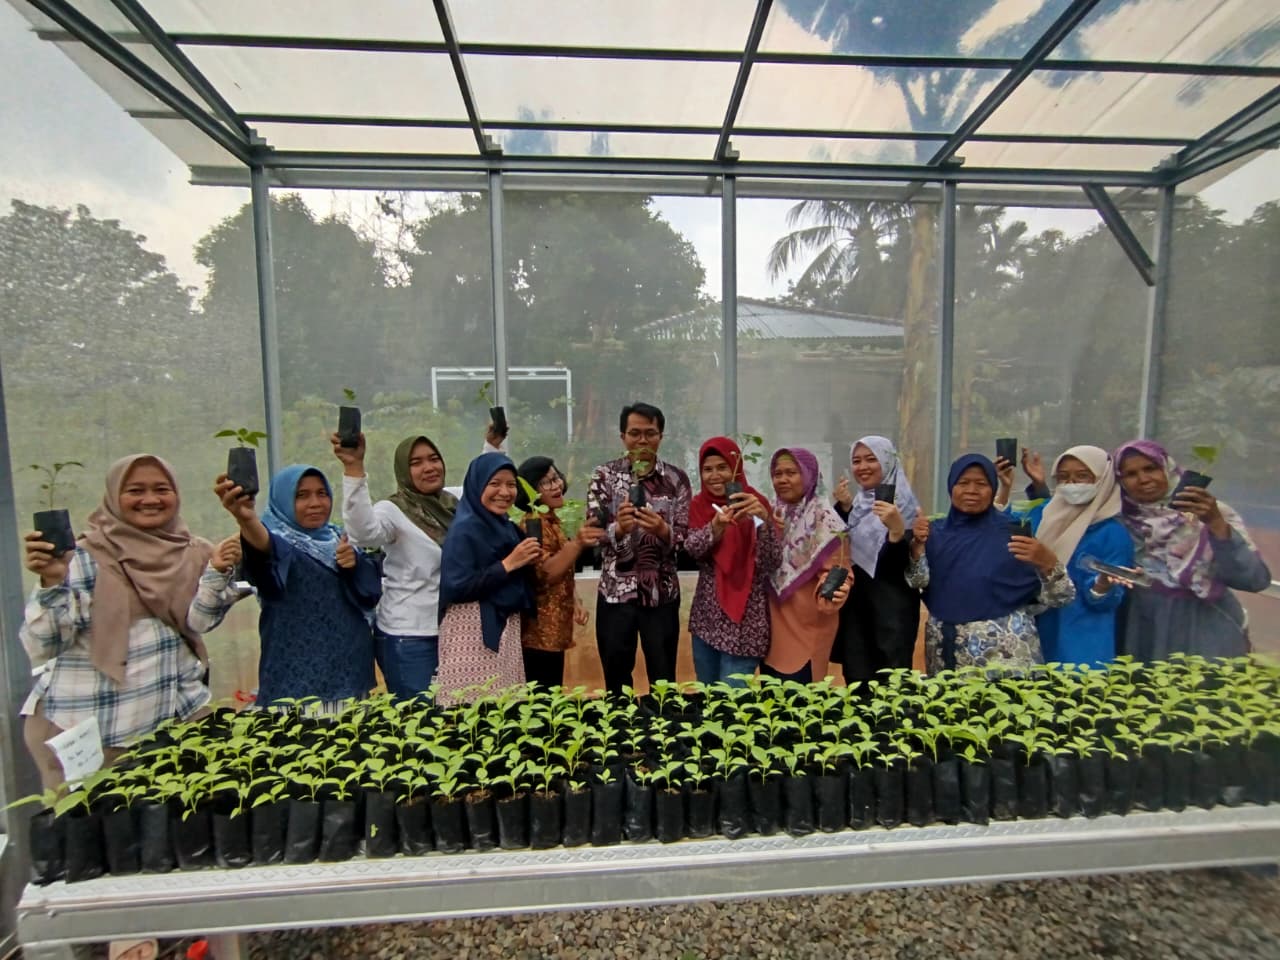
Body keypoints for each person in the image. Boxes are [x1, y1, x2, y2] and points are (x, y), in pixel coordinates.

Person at [20, 455, 242, 790]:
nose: (150, 499)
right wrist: (53, 582)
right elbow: (45, 644)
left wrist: (217, 573)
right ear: (113, 497)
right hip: (97, 728)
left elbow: (198, 623)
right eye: (135, 490)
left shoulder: (193, 551)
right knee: (93, 820)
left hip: (173, 720)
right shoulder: (82, 557)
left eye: (161, 489)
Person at [216, 463, 380, 710]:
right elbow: (267, 551)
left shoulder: (339, 538)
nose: (315, 503)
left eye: (321, 493)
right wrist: (246, 518)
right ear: (283, 500)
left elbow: (369, 593)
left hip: (350, 679)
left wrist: (354, 564)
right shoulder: (280, 542)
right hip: (297, 685)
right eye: (301, 495)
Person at [907, 454, 1075, 673]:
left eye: (981, 484)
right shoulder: (935, 533)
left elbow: (1061, 597)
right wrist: (917, 547)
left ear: (993, 488)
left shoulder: (1013, 532)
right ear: (951, 487)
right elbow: (917, 582)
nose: (972, 490)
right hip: (947, 655)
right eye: (963, 483)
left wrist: (1048, 562)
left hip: (1006, 658)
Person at [1112, 440, 1271, 659]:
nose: (1143, 479)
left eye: (1151, 468)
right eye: (1130, 474)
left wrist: (1215, 523)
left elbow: (1254, 579)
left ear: (1167, 468)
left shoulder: (1210, 512)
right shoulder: (1118, 524)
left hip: (1210, 632)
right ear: (1120, 481)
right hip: (1145, 633)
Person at [334, 432, 455, 698]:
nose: (429, 467)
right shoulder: (393, 510)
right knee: (420, 717)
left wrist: (494, 444)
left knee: (454, 718)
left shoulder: (452, 504)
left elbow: (489, 487)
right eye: (416, 463)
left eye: (434, 459)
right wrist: (354, 468)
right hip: (409, 637)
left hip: (453, 631)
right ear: (402, 470)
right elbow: (363, 533)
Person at [586, 402, 691, 695]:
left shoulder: (676, 479)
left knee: (664, 679)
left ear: (661, 436)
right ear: (623, 436)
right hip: (615, 592)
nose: (642, 440)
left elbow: (686, 535)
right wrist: (618, 529)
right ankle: (620, 723)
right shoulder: (604, 476)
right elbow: (592, 532)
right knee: (616, 680)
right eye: (635, 433)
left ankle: (664, 724)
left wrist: (663, 530)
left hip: (661, 593)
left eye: (650, 433)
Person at [994, 445, 1132, 667]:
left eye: (1082, 476)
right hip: (1036, 636)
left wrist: (1103, 585)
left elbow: (1105, 603)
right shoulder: (1045, 514)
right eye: (1064, 477)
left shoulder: (1112, 533)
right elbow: (1000, 528)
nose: (1072, 483)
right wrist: (1005, 487)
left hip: (1082, 646)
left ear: (1103, 478)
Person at [435, 452, 539, 703]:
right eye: (494, 483)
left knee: (504, 710)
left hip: (503, 629)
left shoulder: (505, 527)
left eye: (511, 485)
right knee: (473, 709)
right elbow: (457, 586)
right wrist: (508, 564)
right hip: (471, 632)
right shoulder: (465, 529)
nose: (504, 492)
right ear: (477, 485)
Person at [685, 437, 781, 686]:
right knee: (708, 696)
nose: (715, 476)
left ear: (735, 469)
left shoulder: (755, 504)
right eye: (707, 469)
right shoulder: (699, 506)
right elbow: (693, 550)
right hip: (706, 620)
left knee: (733, 700)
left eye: (722, 467)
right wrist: (715, 527)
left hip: (745, 622)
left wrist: (763, 521)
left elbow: (771, 561)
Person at [831, 436, 922, 680]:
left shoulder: (907, 507)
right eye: (856, 461)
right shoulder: (859, 505)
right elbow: (841, 550)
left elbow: (903, 569)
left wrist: (897, 533)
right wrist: (844, 508)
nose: (863, 467)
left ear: (887, 461)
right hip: (856, 613)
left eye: (871, 459)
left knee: (892, 686)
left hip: (892, 614)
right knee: (856, 682)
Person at [761, 447, 851, 683]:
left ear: (809, 475)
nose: (782, 479)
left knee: (803, 697)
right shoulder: (770, 513)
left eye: (791, 472)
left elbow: (839, 569)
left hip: (807, 625)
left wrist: (831, 593)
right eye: (777, 473)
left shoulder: (826, 521)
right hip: (770, 628)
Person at [514, 456, 603, 688]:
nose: (556, 486)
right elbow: (545, 573)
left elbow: (562, 567)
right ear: (531, 491)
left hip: (555, 631)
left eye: (556, 478)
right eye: (546, 483)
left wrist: (575, 601)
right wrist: (578, 543)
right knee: (542, 697)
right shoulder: (533, 524)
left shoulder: (551, 521)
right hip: (538, 634)